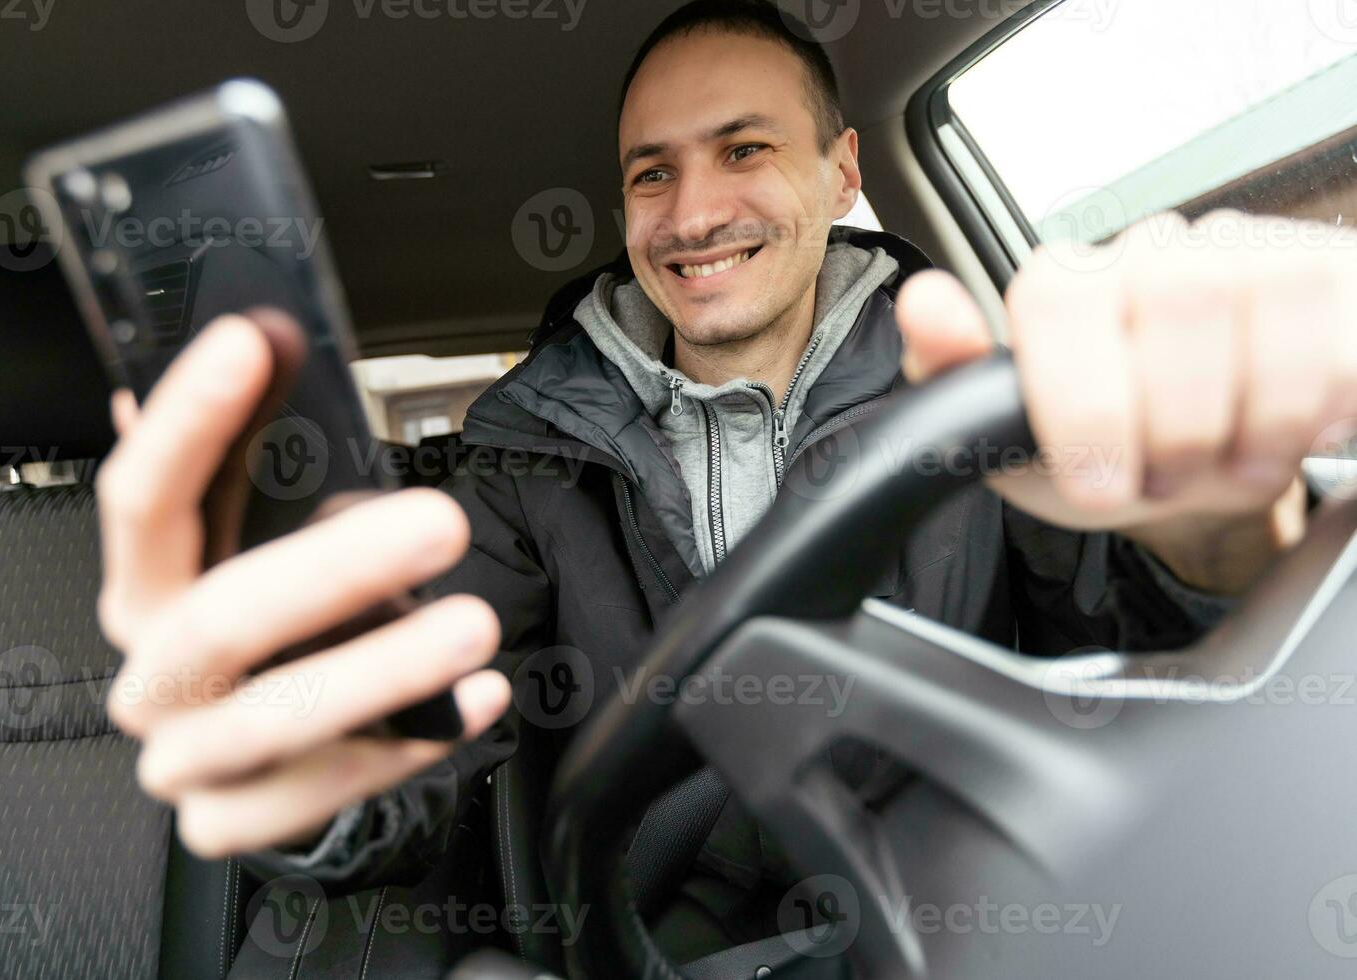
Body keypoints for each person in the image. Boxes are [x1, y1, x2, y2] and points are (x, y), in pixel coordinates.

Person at [95, 0, 1356, 958]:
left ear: (843, 171)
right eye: (652, 171)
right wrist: (288, 730)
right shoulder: (526, 453)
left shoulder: (980, 394)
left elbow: (1139, 679)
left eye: (743, 149)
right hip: (641, 951)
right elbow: (411, 714)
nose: (691, 212)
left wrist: (1220, 535)